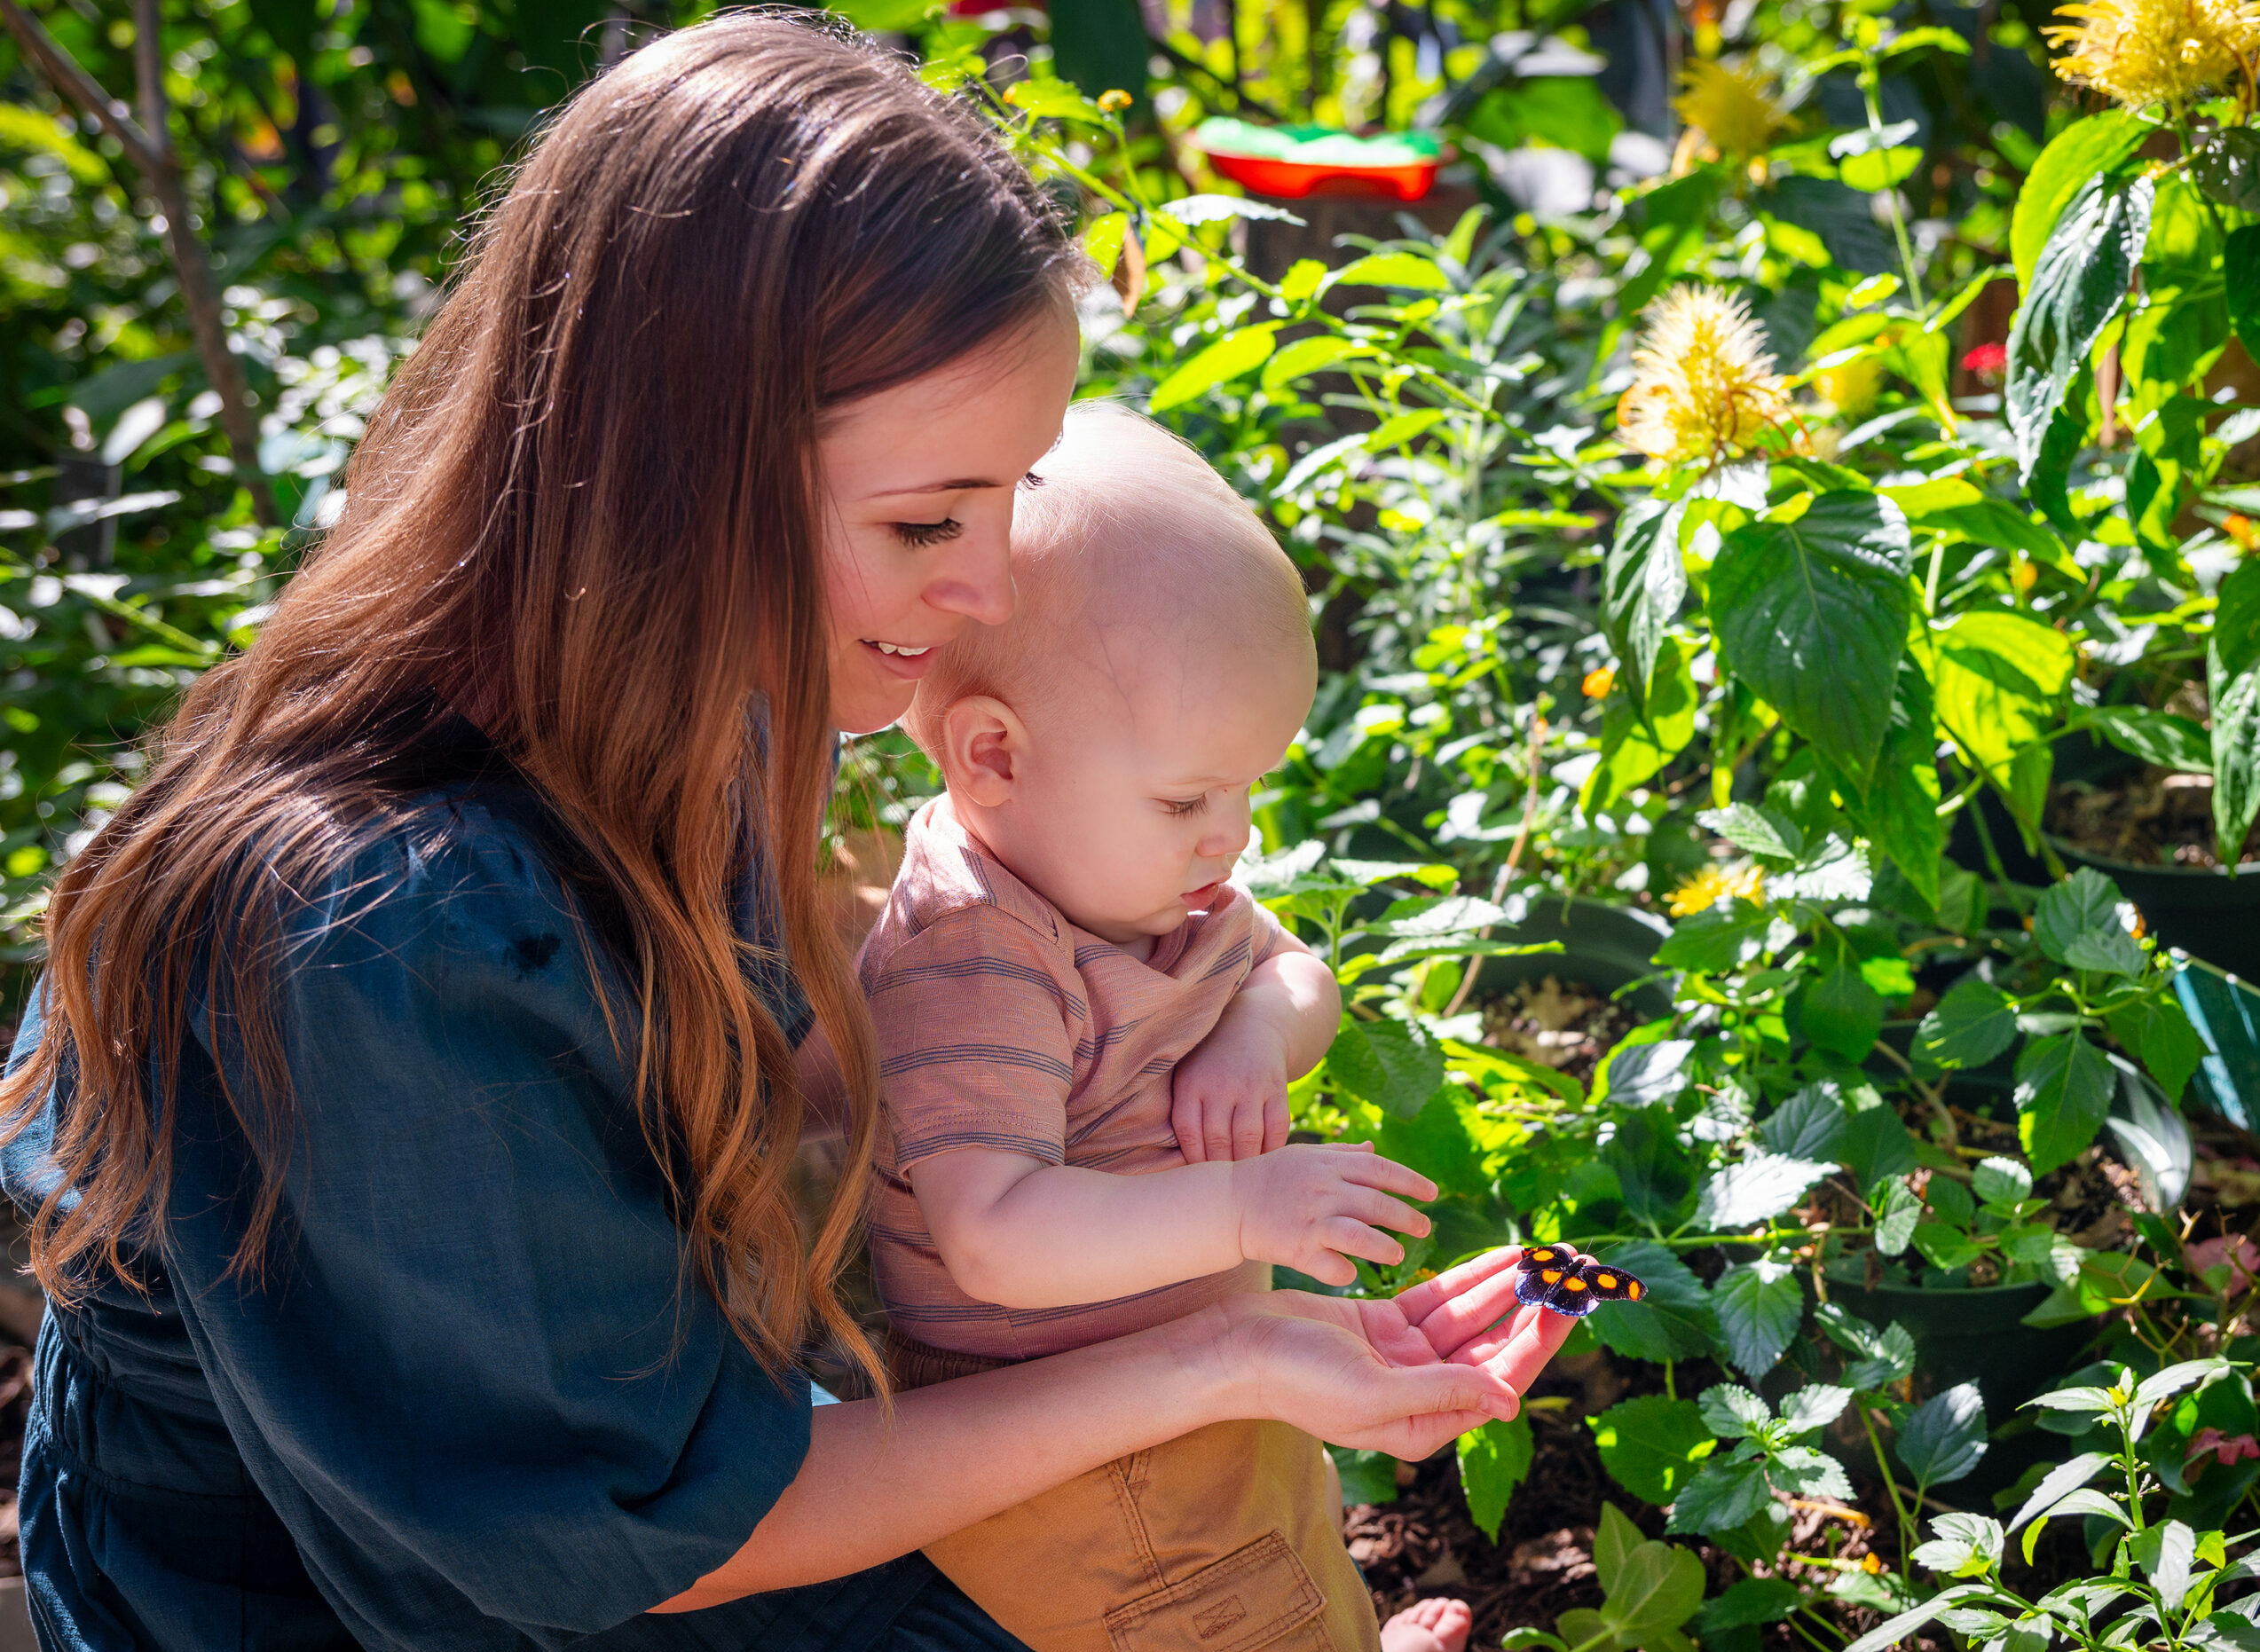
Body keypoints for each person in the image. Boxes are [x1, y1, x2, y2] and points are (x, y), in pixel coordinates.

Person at [0, 17, 1574, 1652]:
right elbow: (659, 1532)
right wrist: (1217, 1354)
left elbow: (765, 1080)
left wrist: (1120, 1119)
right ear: (680, 474)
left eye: (1010, 499)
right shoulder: (377, 923)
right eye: (923, 522)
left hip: (647, 1454)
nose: (984, 591)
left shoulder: (700, 682)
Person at [860, 403, 1476, 1652]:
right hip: (1080, 1460)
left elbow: (1295, 971)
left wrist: (1256, 1026)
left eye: (1249, 787)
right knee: (1216, 1608)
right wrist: (1246, 1208)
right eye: (1191, 794)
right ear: (994, 757)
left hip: (1192, 1367)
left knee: (1284, 1534)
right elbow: (994, 1238)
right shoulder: (975, 954)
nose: (1232, 834)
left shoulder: (1139, 880)